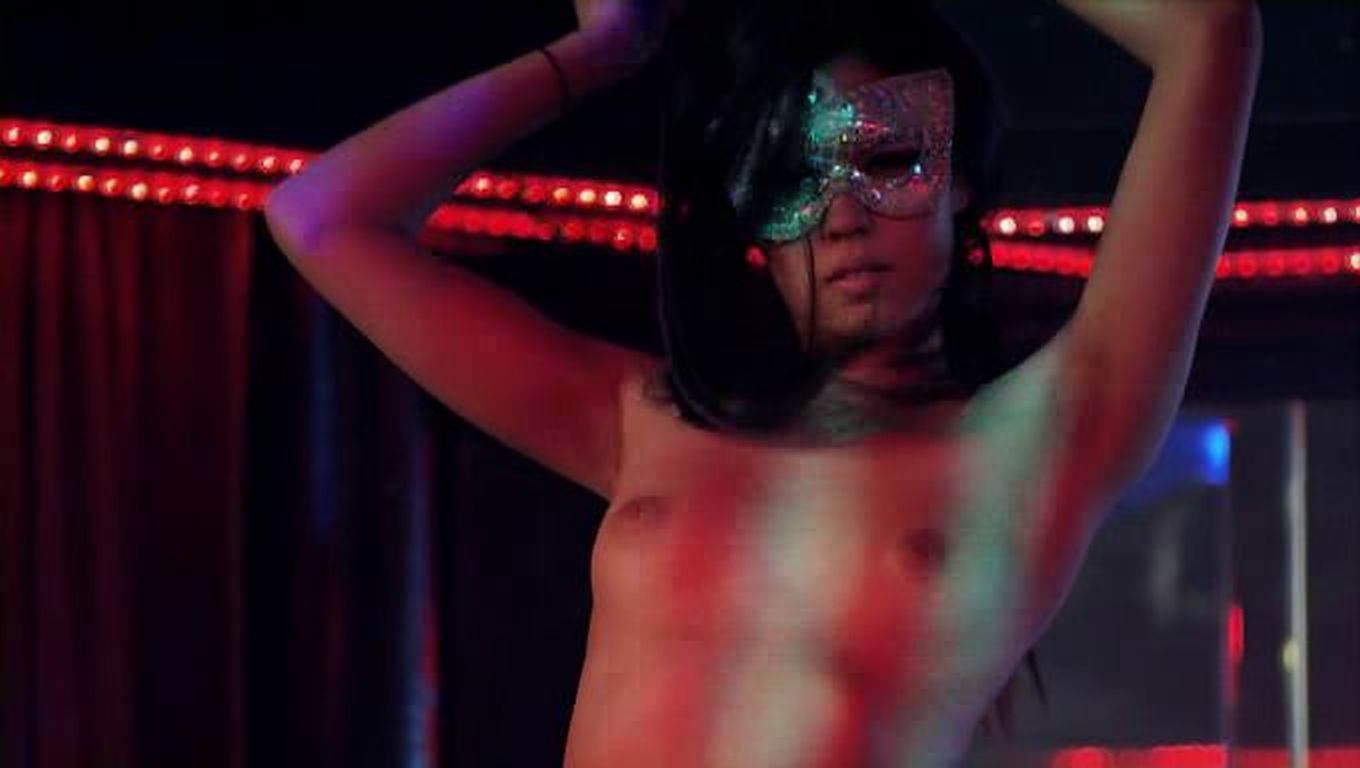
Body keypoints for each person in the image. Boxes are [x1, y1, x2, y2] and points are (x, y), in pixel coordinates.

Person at [263, 0, 1263, 764]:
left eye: (887, 157)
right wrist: (601, 52)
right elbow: (319, 219)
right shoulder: (644, 421)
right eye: (789, 179)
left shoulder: (1036, 443)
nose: (842, 218)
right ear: (751, 228)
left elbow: (1211, 31)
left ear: (958, 182)